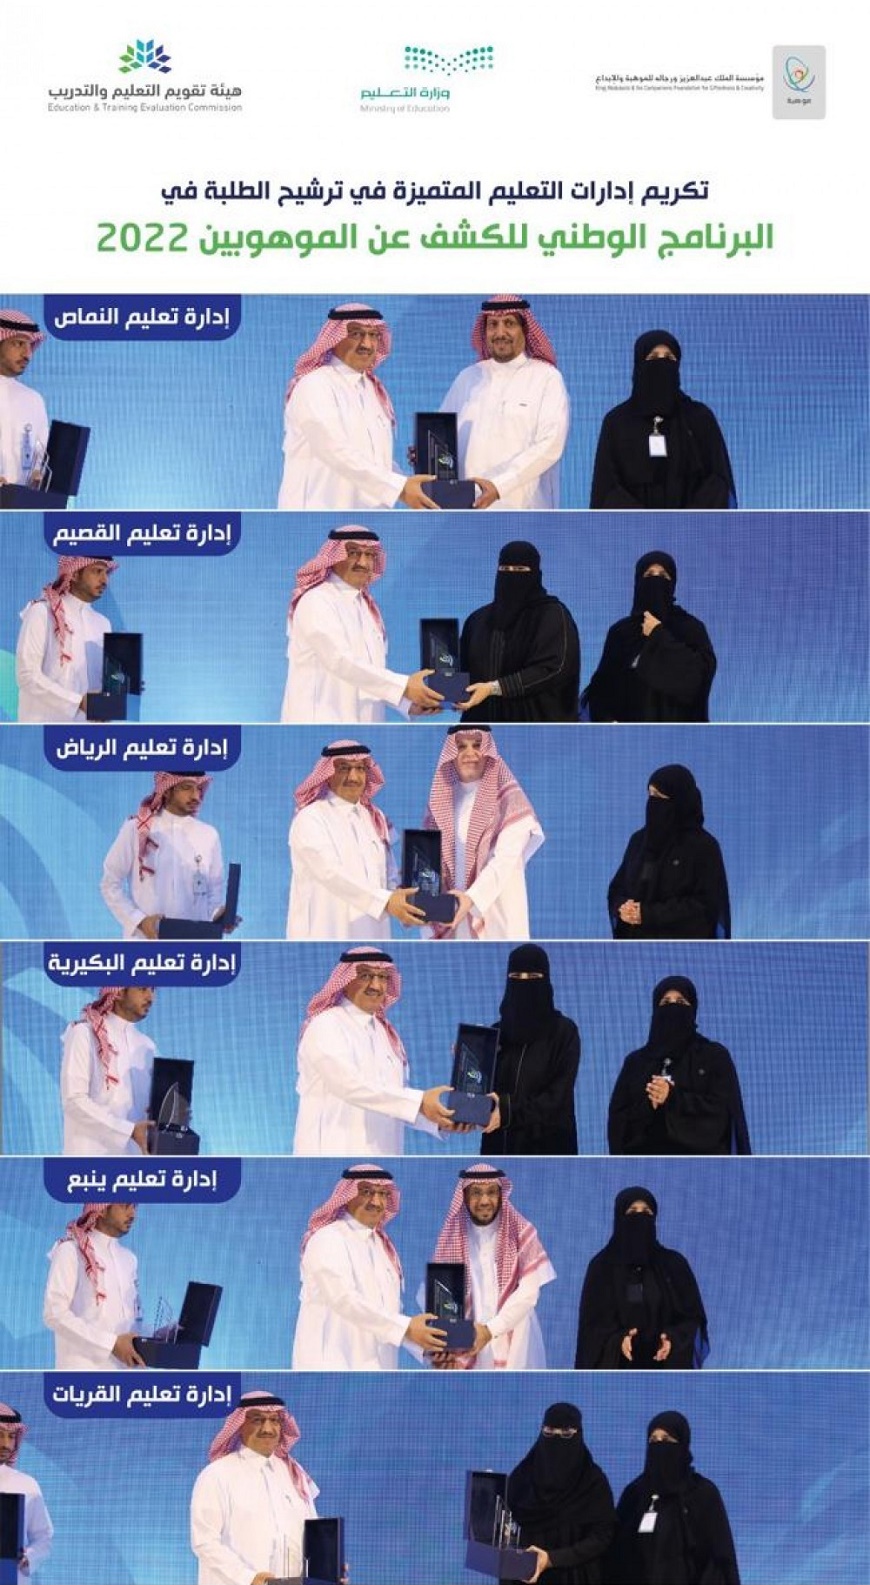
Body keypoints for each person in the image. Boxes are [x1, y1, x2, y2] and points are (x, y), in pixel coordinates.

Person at [293, 946, 458, 1154]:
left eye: (383, 977)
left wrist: (440, 1120)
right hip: (332, 1151)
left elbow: (391, 1100)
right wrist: (419, 1101)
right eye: (366, 976)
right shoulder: (327, 1024)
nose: (376, 986)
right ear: (345, 981)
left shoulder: (386, 1033)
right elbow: (349, 1086)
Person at [278, 302, 438, 510]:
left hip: (373, 513)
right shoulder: (315, 384)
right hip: (320, 509)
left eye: (373, 335)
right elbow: (334, 450)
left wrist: (413, 484)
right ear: (335, 338)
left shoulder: (373, 389)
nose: (367, 344)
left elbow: (376, 462)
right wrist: (400, 488)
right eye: (356, 334)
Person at [291, 1165, 448, 1369]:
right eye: (367, 1192)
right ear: (348, 1195)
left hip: (379, 1369)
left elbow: (389, 1314)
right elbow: (344, 1300)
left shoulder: (383, 1246)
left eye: (383, 1194)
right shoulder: (328, 1238)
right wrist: (407, 1328)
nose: (376, 1202)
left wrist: (427, 1347)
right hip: (332, 1366)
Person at [280, 526, 442, 723]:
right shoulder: (317, 600)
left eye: (370, 555)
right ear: (335, 557)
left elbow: (367, 673)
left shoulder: (367, 607)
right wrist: (404, 686)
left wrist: (405, 703)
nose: (363, 563)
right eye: (353, 553)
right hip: (321, 717)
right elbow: (340, 661)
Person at [439, 294, 570, 510]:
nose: (500, 333)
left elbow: (550, 445)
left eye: (509, 323)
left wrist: (499, 485)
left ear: (524, 329)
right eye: (493, 325)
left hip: (522, 509)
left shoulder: (546, 378)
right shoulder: (467, 378)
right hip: (466, 508)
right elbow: (442, 436)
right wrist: (426, 453)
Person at [287, 740, 427, 940]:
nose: (353, 777)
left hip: (374, 930)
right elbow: (330, 873)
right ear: (328, 774)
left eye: (360, 769)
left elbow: (388, 874)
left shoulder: (374, 816)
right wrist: (387, 901)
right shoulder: (310, 817)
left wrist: (411, 899)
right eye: (344, 768)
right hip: (327, 931)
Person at [426, 1162, 555, 1370]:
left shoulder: (522, 1233)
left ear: (501, 1195)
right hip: (467, 1346)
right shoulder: (451, 1239)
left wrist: (490, 1330)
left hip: (515, 1339)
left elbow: (529, 1293)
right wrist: (446, 1352)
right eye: (476, 1193)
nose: (484, 1201)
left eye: (491, 1192)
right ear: (464, 1196)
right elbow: (440, 1308)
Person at [590, 330, 736, 510]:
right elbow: (607, 488)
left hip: (694, 526)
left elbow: (718, 481)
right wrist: (648, 522)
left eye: (669, 357)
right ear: (639, 364)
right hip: (634, 527)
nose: (661, 364)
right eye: (653, 357)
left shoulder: (699, 418)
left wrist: (687, 520)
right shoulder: (617, 422)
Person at [422, 726, 545, 939]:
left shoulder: (510, 801)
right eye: (461, 747)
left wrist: (471, 899)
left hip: (496, 915)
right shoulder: (441, 802)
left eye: (477, 745)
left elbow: (504, 860)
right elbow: (429, 863)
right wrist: (420, 900)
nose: (469, 753)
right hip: (453, 918)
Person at [190, 1390, 322, 1585]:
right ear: (240, 1425)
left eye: (274, 1420)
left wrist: (327, 1571)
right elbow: (205, 1542)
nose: (267, 1429)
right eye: (257, 1420)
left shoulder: (294, 1473)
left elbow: (313, 1533)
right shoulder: (216, 1475)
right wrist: (249, 1578)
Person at [607, 976, 751, 1156]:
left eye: (681, 1002)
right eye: (666, 1002)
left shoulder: (713, 1056)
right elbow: (618, 1123)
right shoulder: (636, 1062)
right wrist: (649, 1105)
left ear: (693, 1009)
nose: (673, 1008)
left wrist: (673, 1098)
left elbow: (723, 1113)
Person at [574, 1187, 709, 1370]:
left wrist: (671, 1339)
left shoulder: (673, 1265)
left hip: (665, 1370)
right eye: (632, 1212)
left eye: (646, 1212)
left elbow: (692, 1319)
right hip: (618, 1372)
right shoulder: (602, 1267)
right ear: (619, 1217)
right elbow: (591, 1329)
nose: (640, 1218)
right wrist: (618, 1341)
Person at [608, 1411, 741, 1584]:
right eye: (653, 1440)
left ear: (683, 1444)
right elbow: (616, 1554)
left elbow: (719, 1559)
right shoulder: (634, 1494)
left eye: (667, 1439)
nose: (659, 1446)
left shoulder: (702, 1494)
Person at [582, 552, 716, 722]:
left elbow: (698, 680)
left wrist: (657, 635)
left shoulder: (691, 628)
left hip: (678, 731)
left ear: (673, 583)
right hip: (630, 733)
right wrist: (608, 721)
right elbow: (602, 687)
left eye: (663, 575)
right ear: (638, 582)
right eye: (649, 574)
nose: (656, 580)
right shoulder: (621, 632)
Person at [458, 541, 581, 722]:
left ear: (536, 574)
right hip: (482, 728)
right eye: (504, 569)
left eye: (520, 569)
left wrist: (495, 688)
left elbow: (553, 669)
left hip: (537, 728)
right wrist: (441, 697)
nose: (511, 575)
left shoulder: (553, 615)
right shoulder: (478, 619)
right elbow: (462, 670)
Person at [101, 771, 230, 940]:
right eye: (187, 788)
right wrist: (140, 921)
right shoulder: (136, 829)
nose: (196, 796)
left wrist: (220, 917)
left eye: (199, 789)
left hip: (195, 944)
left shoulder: (209, 834)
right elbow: (110, 884)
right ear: (167, 790)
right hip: (147, 943)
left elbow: (214, 893)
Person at [608, 764, 731, 940]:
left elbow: (705, 906)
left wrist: (648, 915)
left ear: (679, 801)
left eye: (658, 796)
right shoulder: (639, 841)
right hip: (635, 942)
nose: (652, 803)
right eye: (650, 795)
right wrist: (622, 907)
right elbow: (618, 888)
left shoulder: (703, 847)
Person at [481, 945, 580, 1155]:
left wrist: (508, 1111)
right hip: (499, 1145)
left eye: (533, 976)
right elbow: (485, 1095)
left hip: (548, 1147)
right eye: (516, 976)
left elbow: (557, 1097)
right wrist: (470, 1062)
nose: (524, 982)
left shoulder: (563, 1031)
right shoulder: (496, 1032)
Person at [502, 1403, 615, 1585]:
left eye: (566, 1434)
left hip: (575, 1576)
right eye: (549, 1432)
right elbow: (503, 1529)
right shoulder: (522, 1478)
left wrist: (552, 1559)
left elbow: (602, 1537)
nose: (556, 1440)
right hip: (525, 1577)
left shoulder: (592, 1482)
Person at [16, 554, 118, 723]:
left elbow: (100, 683)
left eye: (107, 573)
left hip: (88, 731)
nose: (104, 580)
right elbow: (27, 675)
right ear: (74, 574)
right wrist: (78, 702)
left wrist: (122, 685)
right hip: (45, 728)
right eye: (97, 571)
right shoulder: (42, 613)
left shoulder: (103, 623)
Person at [43, 1202, 144, 1370]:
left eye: (135, 1206)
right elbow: (54, 1314)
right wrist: (111, 1344)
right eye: (125, 1205)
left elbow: (130, 1319)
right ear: (102, 1209)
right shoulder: (70, 1251)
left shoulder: (129, 1259)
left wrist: (162, 1335)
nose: (133, 1214)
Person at [60, 985, 157, 1156]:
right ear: (118, 992)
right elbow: (74, 1100)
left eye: (153, 989)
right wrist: (128, 1131)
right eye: (142, 989)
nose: (151, 998)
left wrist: (172, 1114)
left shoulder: (146, 1045)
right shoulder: (84, 1034)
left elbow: (146, 1111)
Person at [0, 1404, 54, 1584]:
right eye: (0, 1435)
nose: (6, 1444)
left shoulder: (25, 1484)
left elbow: (43, 1537)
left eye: (11, 1436)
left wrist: (28, 1559)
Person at [0, 308, 49, 489]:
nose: (27, 354)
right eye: (19, 344)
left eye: (30, 346)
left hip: (17, 502)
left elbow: (41, 457)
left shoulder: (33, 400)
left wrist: (38, 475)